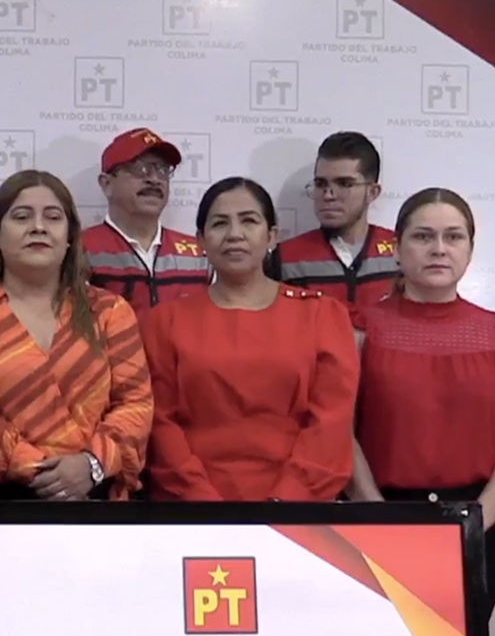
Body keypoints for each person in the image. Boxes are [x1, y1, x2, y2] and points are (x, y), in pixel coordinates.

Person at [347, 188, 495, 605]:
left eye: (453, 237)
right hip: (382, 523)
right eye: (423, 236)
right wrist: (378, 515)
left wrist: (474, 523)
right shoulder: (360, 329)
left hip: (477, 525)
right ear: (397, 248)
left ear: (470, 250)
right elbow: (341, 434)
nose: (438, 249)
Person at [0, 168, 154, 500]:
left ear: (70, 236)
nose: (38, 227)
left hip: (93, 496)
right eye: (22, 217)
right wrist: (39, 469)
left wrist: (90, 465)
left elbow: (135, 404)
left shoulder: (110, 312)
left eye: (53, 217)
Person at [142, 177, 358, 501]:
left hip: (299, 510)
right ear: (200, 240)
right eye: (220, 223)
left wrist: (285, 502)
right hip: (191, 510)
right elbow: (160, 424)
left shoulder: (322, 315)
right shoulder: (164, 322)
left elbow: (331, 424)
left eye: (249, 221)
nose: (235, 234)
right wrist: (204, 504)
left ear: (272, 235)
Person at [265, 131, 399, 314]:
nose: (328, 195)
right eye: (321, 184)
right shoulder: (285, 258)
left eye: (344, 184)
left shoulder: (402, 252)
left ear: (372, 192)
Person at [80, 128, 210, 313]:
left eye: (162, 170)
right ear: (106, 183)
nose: (155, 180)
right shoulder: (81, 249)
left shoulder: (199, 253)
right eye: (140, 169)